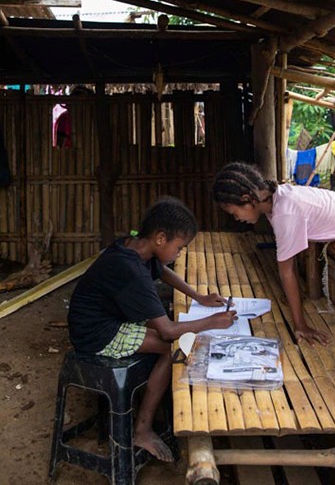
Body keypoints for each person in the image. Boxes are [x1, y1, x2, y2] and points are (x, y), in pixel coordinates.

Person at [67, 196, 236, 461]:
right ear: (160, 238)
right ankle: (142, 430)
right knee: (174, 348)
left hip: (102, 319)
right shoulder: (130, 269)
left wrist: (198, 297)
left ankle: (154, 409)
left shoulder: (134, 245)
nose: (179, 254)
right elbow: (168, 332)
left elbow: (162, 270)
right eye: (179, 248)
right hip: (96, 335)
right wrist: (211, 322)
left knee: (175, 334)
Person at [212, 162, 335, 346]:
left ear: (248, 199)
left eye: (235, 213)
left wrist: (300, 325)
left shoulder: (285, 213)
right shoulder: (279, 198)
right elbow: (290, 258)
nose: (237, 218)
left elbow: (286, 271)